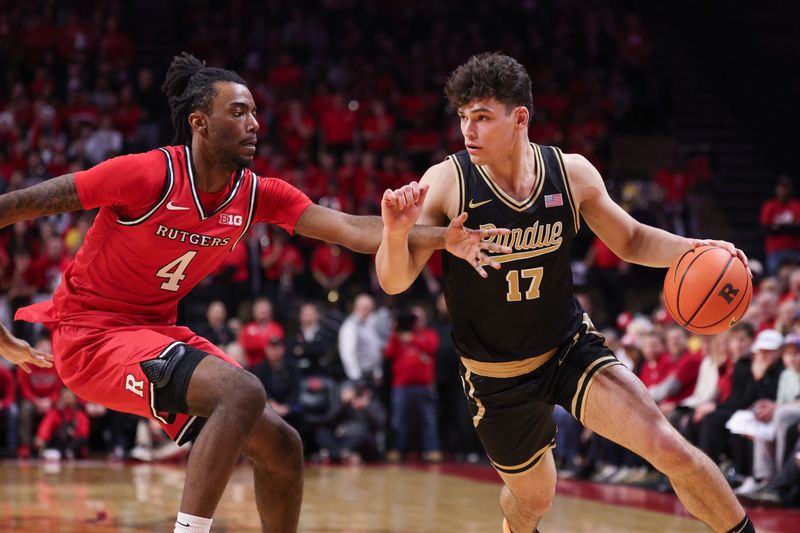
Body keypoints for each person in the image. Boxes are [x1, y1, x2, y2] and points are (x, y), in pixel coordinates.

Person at [0, 53, 504, 533]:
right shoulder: (147, 173)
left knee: (283, 446)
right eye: (238, 112)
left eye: (255, 113)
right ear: (199, 122)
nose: (254, 123)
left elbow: (351, 228)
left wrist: (442, 238)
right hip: (91, 339)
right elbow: (13, 207)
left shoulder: (259, 193)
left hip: (154, 334)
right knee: (242, 390)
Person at [375, 52, 755, 533]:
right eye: (463, 118)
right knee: (534, 499)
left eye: (482, 117)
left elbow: (632, 239)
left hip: (568, 348)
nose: (468, 131)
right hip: (497, 375)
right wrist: (394, 233)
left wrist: (695, 248)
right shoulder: (448, 181)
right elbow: (394, 280)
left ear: (519, 119)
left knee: (667, 445)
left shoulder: (569, 172)